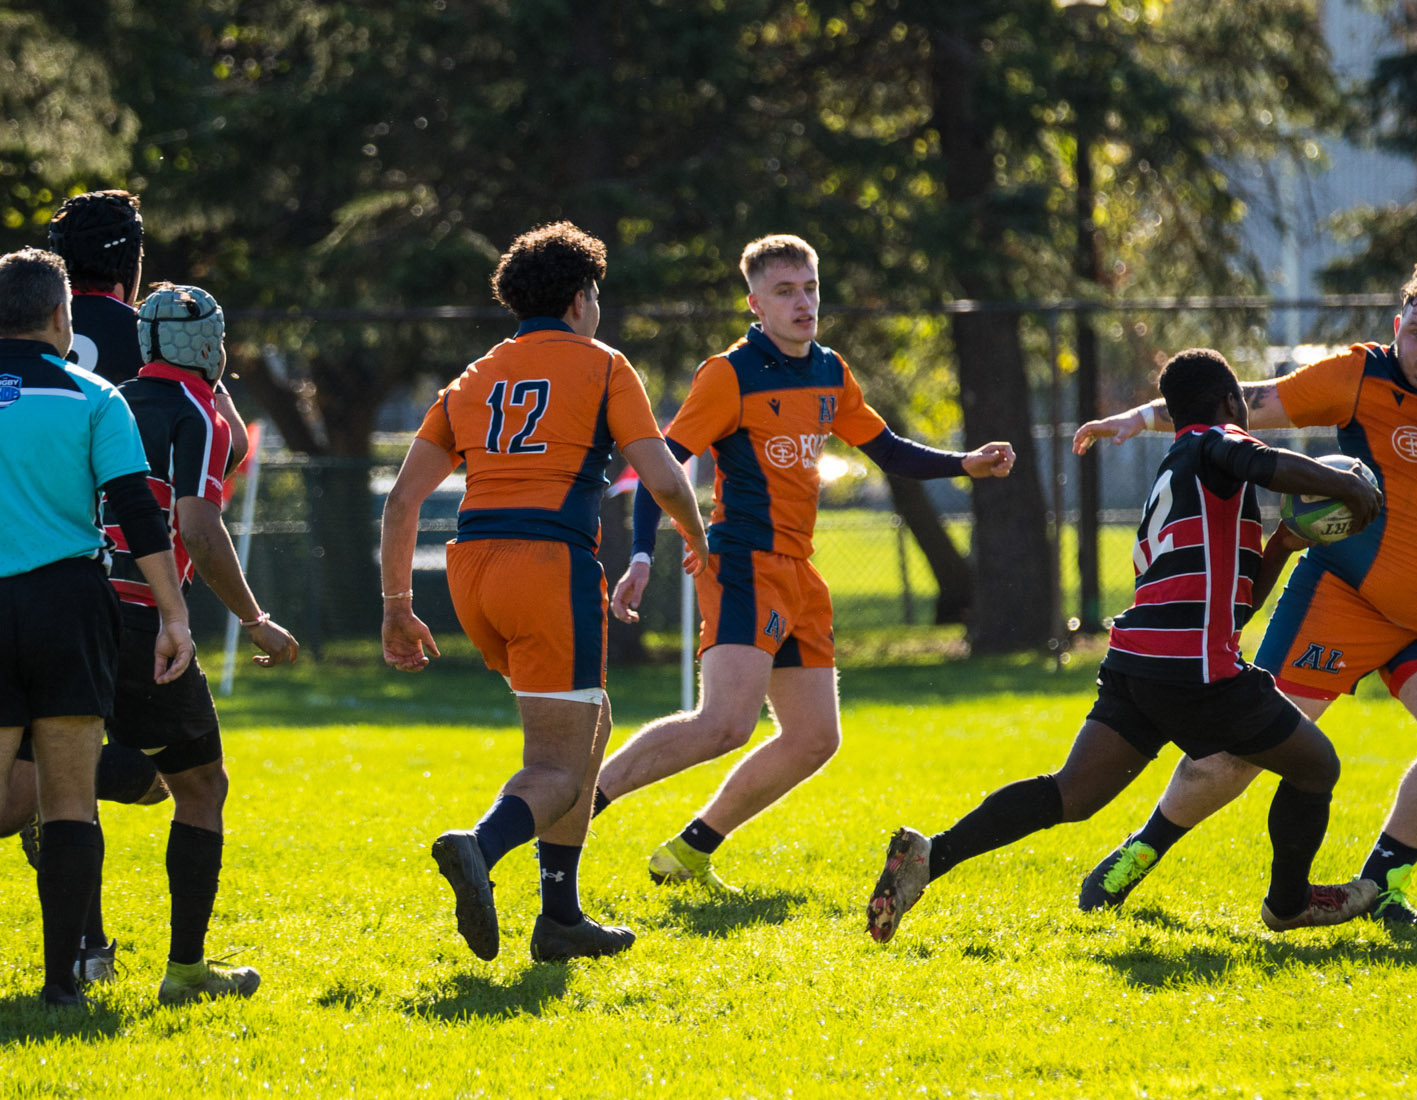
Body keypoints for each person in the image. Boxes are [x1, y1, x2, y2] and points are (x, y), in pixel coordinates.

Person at [1070, 265, 1417, 924]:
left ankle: (1382, 888)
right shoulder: (1362, 376)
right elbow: (1253, 400)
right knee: (1237, 750)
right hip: (1346, 596)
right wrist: (1142, 416)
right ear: (1398, 329)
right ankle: (1140, 851)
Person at [865, 348, 1384, 943]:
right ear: (1228, 404)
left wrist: (1284, 544)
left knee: (1073, 792)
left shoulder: (1184, 475)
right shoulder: (1212, 443)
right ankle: (1289, 905)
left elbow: (1238, 608)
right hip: (1195, 672)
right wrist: (1341, 480)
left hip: (1141, 663)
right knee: (1317, 767)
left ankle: (930, 857)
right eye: (1239, 407)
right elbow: (1256, 458)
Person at [590, 234, 1014, 892]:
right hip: (741, 562)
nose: (803, 302)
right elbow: (657, 469)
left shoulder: (829, 371)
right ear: (755, 304)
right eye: (785, 291)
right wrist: (643, 553)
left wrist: (963, 463)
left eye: (811, 287)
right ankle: (579, 803)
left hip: (799, 571)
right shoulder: (728, 374)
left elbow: (890, 449)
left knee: (815, 737)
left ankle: (691, 850)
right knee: (724, 723)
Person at [380, 221, 710, 964]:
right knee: (558, 763)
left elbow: (402, 501)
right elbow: (660, 475)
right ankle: (482, 844)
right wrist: (698, 539)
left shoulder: (471, 376)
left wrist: (397, 607)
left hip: (472, 571)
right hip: (547, 568)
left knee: (588, 731)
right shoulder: (601, 364)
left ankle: (560, 916)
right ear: (579, 297)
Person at [4, 190, 258, 891]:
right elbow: (226, 447)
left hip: (22, 570)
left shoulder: (18, 329)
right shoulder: (143, 332)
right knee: (145, 776)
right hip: (116, 581)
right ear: (134, 262)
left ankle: (83, 956)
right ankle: (89, 959)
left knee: (45, 782)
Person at [95, 284, 299, 1004]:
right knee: (200, 785)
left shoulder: (109, 397)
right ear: (213, 347)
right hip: (145, 619)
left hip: (74, 605)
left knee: (54, 774)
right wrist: (254, 618)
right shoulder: (197, 413)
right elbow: (200, 528)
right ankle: (186, 971)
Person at [0, 248, 193, 1006]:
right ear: (60, 317)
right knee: (68, 798)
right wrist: (173, 613)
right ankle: (61, 985)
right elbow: (137, 512)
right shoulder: (93, 396)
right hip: (67, 604)